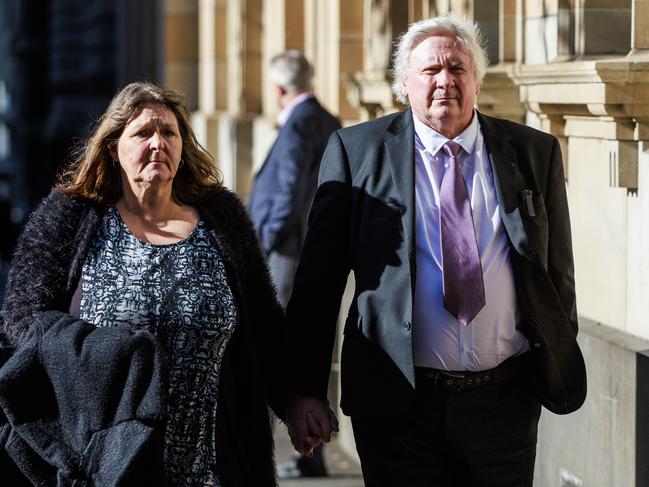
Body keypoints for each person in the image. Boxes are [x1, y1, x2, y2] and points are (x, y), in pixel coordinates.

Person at [284, 14, 587, 487]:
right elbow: (317, 284)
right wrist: (304, 391)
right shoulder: (355, 151)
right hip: (398, 407)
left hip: (505, 405)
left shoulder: (532, 152)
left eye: (457, 69)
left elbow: (557, 272)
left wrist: (554, 357)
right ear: (404, 84)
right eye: (430, 71)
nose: (445, 80)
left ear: (477, 80)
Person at [0, 81, 286, 486]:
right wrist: (106, 352)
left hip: (212, 463)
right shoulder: (71, 215)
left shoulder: (222, 218)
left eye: (169, 132)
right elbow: (22, 317)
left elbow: (264, 320)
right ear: (113, 146)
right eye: (143, 133)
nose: (158, 143)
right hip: (106, 463)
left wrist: (298, 400)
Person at [248, 50, 340, 478]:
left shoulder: (299, 125)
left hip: (285, 256)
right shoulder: (327, 119)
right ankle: (313, 452)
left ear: (279, 89)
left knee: (273, 353)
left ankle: (265, 453)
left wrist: (259, 249)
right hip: (312, 253)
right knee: (307, 355)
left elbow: (286, 194)